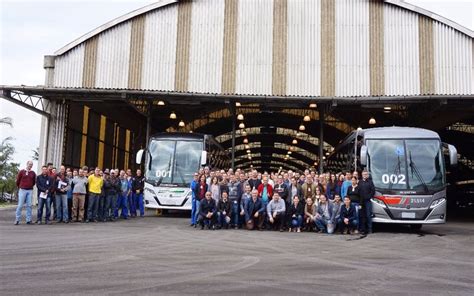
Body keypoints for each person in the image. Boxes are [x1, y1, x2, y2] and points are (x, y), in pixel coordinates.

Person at [14, 160, 36, 225]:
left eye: (32, 164)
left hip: (30, 190)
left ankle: (28, 220)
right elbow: (18, 181)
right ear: (27, 164)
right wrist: (21, 186)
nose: (30, 165)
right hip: (22, 190)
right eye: (29, 164)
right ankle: (17, 219)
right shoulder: (21, 172)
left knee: (29, 205)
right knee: (20, 205)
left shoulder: (33, 173)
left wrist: (30, 186)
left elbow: (34, 182)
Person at [358, 170, 375, 234]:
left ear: (368, 175)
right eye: (364, 174)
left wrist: (369, 197)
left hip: (368, 201)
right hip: (361, 202)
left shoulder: (370, 182)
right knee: (362, 215)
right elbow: (358, 191)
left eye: (366, 174)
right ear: (362, 175)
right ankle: (363, 229)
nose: (365, 175)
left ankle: (370, 229)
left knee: (368, 215)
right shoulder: (360, 182)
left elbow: (373, 191)